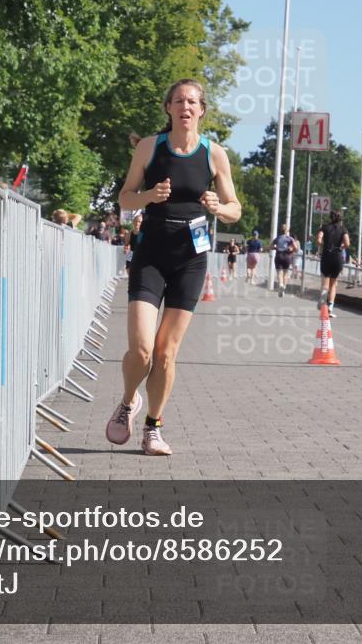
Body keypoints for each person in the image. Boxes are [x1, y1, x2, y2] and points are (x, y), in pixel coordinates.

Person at [107, 79, 241, 456]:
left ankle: (153, 427)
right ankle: (128, 401)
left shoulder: (215, 155)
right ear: (168, 107)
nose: (186, 106)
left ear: (202, 111)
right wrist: (149, 196)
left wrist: (218, 208)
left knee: (166, 353)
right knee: (142, 350)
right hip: (151, 253)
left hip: (191, 258)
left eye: (193, 102)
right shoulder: (151, 147)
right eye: (179, 100)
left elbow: (235, 209)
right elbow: (125, 197)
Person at [316, 210, 350, 318]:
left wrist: (323, 245)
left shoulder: (324, 227)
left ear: (331, 218)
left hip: (326, 255)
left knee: (326, 281)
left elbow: (318, 239)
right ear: (340, 219)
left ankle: (323, 297)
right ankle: (330, 307)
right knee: (333, 283)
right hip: (337, 257)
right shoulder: (343, 229)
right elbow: (347, 243)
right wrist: (340, 247)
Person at [271, 223, 296, 298]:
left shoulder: (277, 238)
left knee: (279, 272)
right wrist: (291, 249)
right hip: (287, 256)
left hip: (279, 255)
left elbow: (270, 246)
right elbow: (296, 247)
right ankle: (284, 287)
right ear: (287, 230)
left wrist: (275, 248)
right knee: (285, 273)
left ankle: (281, 284)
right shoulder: (290, 238)